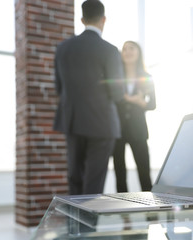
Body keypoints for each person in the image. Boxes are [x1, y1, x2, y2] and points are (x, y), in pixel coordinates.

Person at [53, 0, 124, 195]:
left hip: (73, 120)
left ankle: (74, 225)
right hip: (101, 124)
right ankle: (89, 226)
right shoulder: (109, 50)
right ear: (104, 19)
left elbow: (59, 87)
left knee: (75, 177)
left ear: (82, 19)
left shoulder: (63, 48)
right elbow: (117, 93)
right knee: (94, 182)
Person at [113, 41, 156, 192]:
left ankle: (151, 213)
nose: (127, 51)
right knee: (120, 175)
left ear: (138, 53)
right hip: (118, 130)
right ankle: (123, 213)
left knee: (144, 174)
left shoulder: (146, 76)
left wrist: (139, 102)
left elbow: (153, 104)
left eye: (131, 48)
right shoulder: (116, 76)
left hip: (138, 130)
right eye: (124, 49)